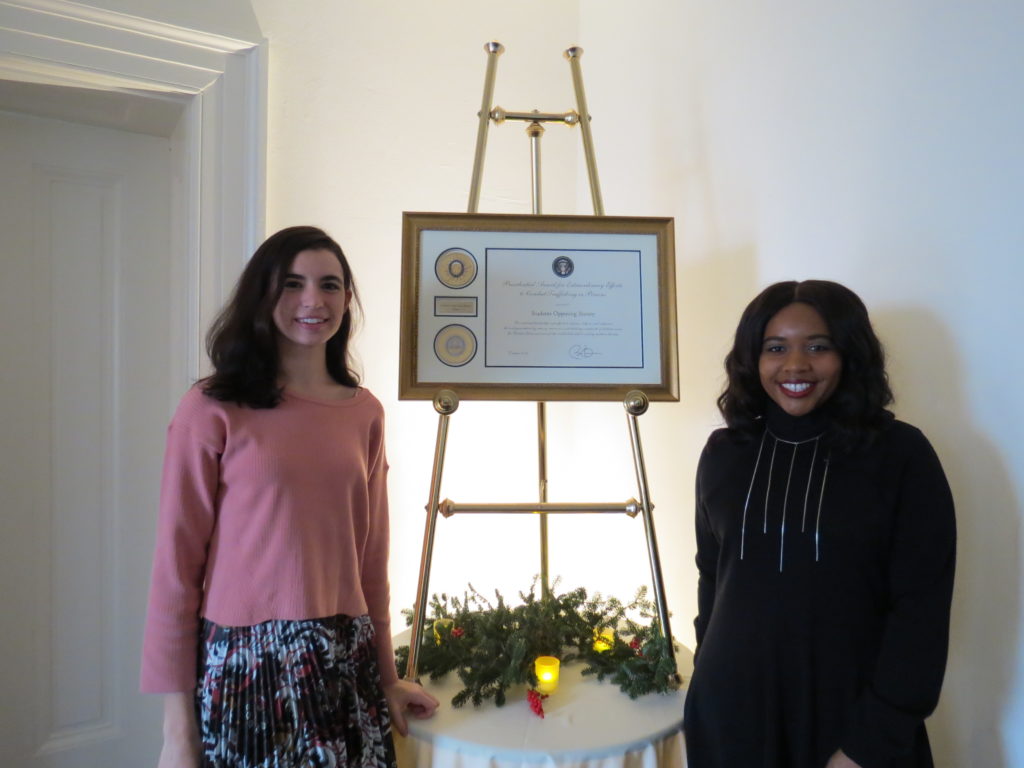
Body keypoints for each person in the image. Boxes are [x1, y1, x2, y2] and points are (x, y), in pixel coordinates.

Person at [141, 226, 438, 768]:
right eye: (292, 284)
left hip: (343, 667)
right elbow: (175, 573)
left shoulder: (363, 412)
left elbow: (370, 560)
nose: (313, 300)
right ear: (264, 295)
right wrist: (176, 734)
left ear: (347, 300)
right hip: (245, 668)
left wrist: (388, 678)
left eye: (330, 285)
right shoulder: (211, 408)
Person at [684, 280, 955, 768]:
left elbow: (920, 614)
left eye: (817, 346)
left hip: (852, 728)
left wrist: (868, 745)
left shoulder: (901, 455)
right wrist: (708, 674)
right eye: (775, 348)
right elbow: (712, 575)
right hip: (731, 720)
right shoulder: (724, 453)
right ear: (753, 357)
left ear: (849, 354)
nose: (795, 366)